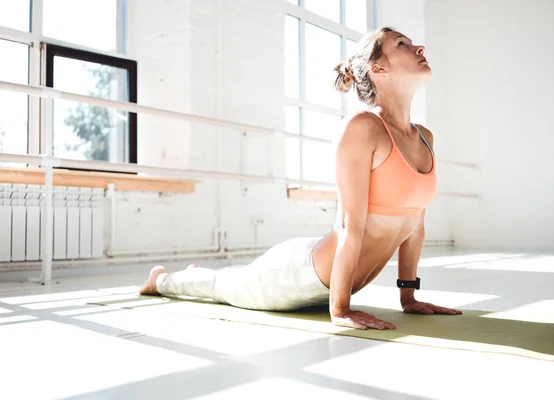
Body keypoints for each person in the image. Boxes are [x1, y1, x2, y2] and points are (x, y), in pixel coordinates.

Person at [139, 27, 462, 330]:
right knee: (221, 288)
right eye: (402, 45)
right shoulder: (363, 128)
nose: (418, 47)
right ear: (378, 70)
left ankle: (198, 274)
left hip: (337, 280)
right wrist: (340, 309)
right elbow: (350, 225)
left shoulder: (424, 137)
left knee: (230, 280)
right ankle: (161, 280)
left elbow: (415, 226)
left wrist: (408, 297)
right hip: (298, 275)